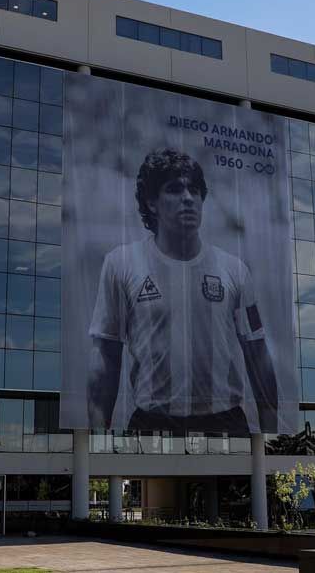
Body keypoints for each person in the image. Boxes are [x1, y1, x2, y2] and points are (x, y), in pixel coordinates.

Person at [86, 148, 279, 434]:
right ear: (152, 202)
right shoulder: (121, 263)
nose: (188, 199)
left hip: (225, 421)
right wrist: (97, 440)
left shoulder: (234, 269)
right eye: (174, 190)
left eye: (195, 190)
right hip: (152, 423)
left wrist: (271, 436)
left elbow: (258, 353)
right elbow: (106, 357)